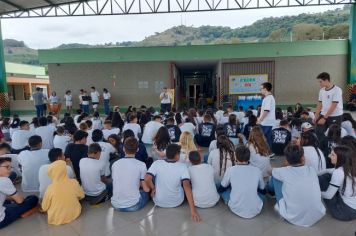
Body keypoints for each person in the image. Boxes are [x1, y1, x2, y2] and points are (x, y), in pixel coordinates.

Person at [271, 144, 326, 227]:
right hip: (317, 214)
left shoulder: (283, 171)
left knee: (275, 178)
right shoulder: (311, 169)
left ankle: (278, 203)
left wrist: (284, 166)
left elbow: (270, 171)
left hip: (294, 217)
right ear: (303, 157)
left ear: (287, 159)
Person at [144, 144, 201, 222]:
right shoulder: (182, 166)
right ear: (177, 155)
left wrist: (153, 188)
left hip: (158, 201)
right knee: (185, 181)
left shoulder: (157, 163)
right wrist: (193, 210)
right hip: (177, 201)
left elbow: (147, 178)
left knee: (154, 177)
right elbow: (187, 187)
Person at [220, 146, 265, 218]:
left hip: (236, 207)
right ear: (249, 157)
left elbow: (222, 188)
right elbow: (263, 190)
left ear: (236, 157)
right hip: (256, 208)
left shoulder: (230, 170)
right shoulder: (257, 170)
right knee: (260, 193)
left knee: (223, 189)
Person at [111, 137, 150, 211]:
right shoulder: (141, 164)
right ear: (137, 150)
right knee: (145, 193)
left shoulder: (115, 164)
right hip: (133, 206)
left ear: (123, 149)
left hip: (115, 205)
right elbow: (146, 189)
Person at [41, 159, 84, 225]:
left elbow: (44, 207)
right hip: (75, 213)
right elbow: (82, 196)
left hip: (56, 219)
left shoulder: (50, 188)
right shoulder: (74, 182)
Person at [319, 145, 356, 221]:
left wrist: (314, 192)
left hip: (344, 212)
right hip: (353, 208)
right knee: (327, 175)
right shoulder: (350, 167)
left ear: (341, 158)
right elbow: (328, 170)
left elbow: (328, 196)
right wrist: (312, 173)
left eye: (332, 155)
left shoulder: (339, 172)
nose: (329, 156)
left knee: (322, 179)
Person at [0, 157, 39, 229]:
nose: (10, 170)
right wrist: (16, 199)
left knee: (9, 201)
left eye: (11, 167)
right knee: (33, 198)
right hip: (1, 220)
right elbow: (20, 201)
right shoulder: (4, 180)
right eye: (7, 167)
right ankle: (21, 213)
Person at [314, 72, 343, 141]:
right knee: (318, 130)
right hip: (323, 114)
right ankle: (323, 147)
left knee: (333, 135)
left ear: (326, 80)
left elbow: (334, 105)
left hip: (335, 116)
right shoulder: (321, 90)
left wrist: (324, 118)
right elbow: (319, 104)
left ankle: (331, 148)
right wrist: (316, 115)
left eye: (321, 82)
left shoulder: (337, 90)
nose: (319, 84)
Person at [257, 82, 276, 150]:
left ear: (265, 89)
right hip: (268, 122)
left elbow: (266, 110)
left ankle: (265, 152)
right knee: (268, 138)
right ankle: (269, 153)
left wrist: (260, 120)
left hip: (266, 122)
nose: (260, 90)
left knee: (262, 138)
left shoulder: (268, 98)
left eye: (261, 89)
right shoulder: (270, 97)